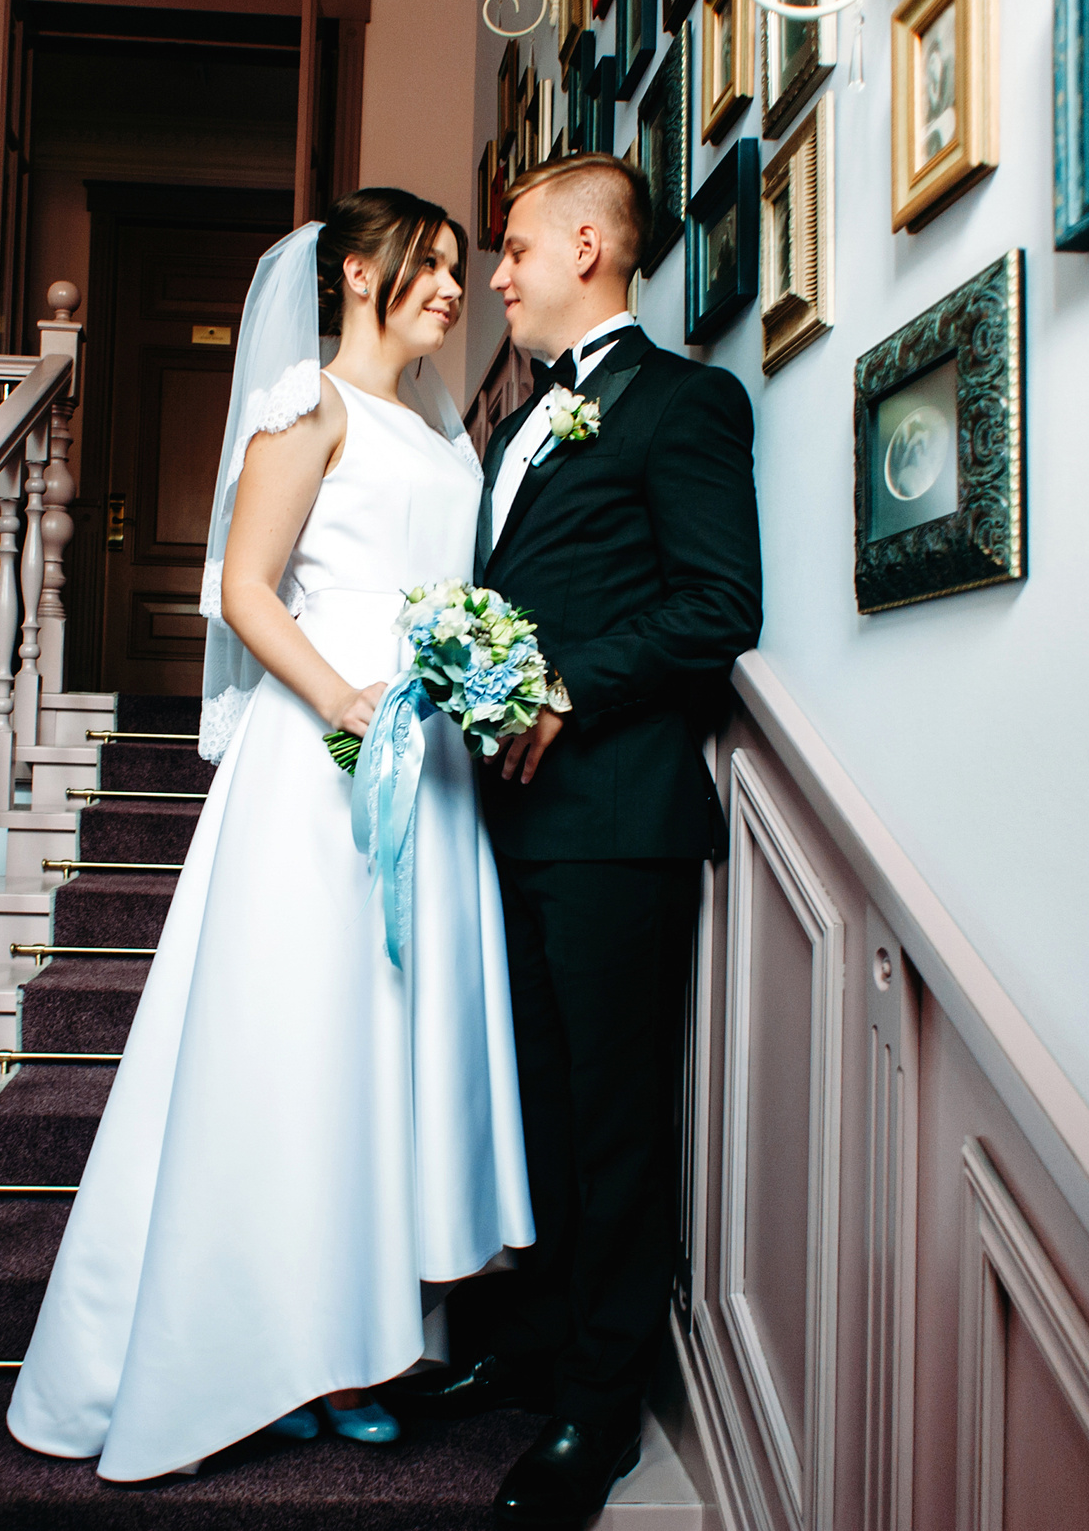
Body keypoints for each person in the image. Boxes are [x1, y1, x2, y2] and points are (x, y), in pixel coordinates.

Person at [5, 190, 535, 1481]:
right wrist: (343, 696)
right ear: (357, 271)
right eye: (428, 265)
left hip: (434, 766)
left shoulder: (441, 436)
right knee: (304, 1046)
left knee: (387, 1049)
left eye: (463, 271)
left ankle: (366, 1341)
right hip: (322, 766)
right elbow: (245, 587)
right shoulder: (310, 407)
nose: (453, 289)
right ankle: (269, 1341)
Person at [392, 152, 763, 1531]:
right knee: (536, 1102)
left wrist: (565, 684)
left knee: (611, 1122)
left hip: (616, 823)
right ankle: (535, 1350)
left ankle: (602, 1410)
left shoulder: (685, 404)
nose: (495, 275)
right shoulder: (521, 418)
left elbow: (721, 604)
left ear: (592, 247)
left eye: (513, 248)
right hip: (516, 824)